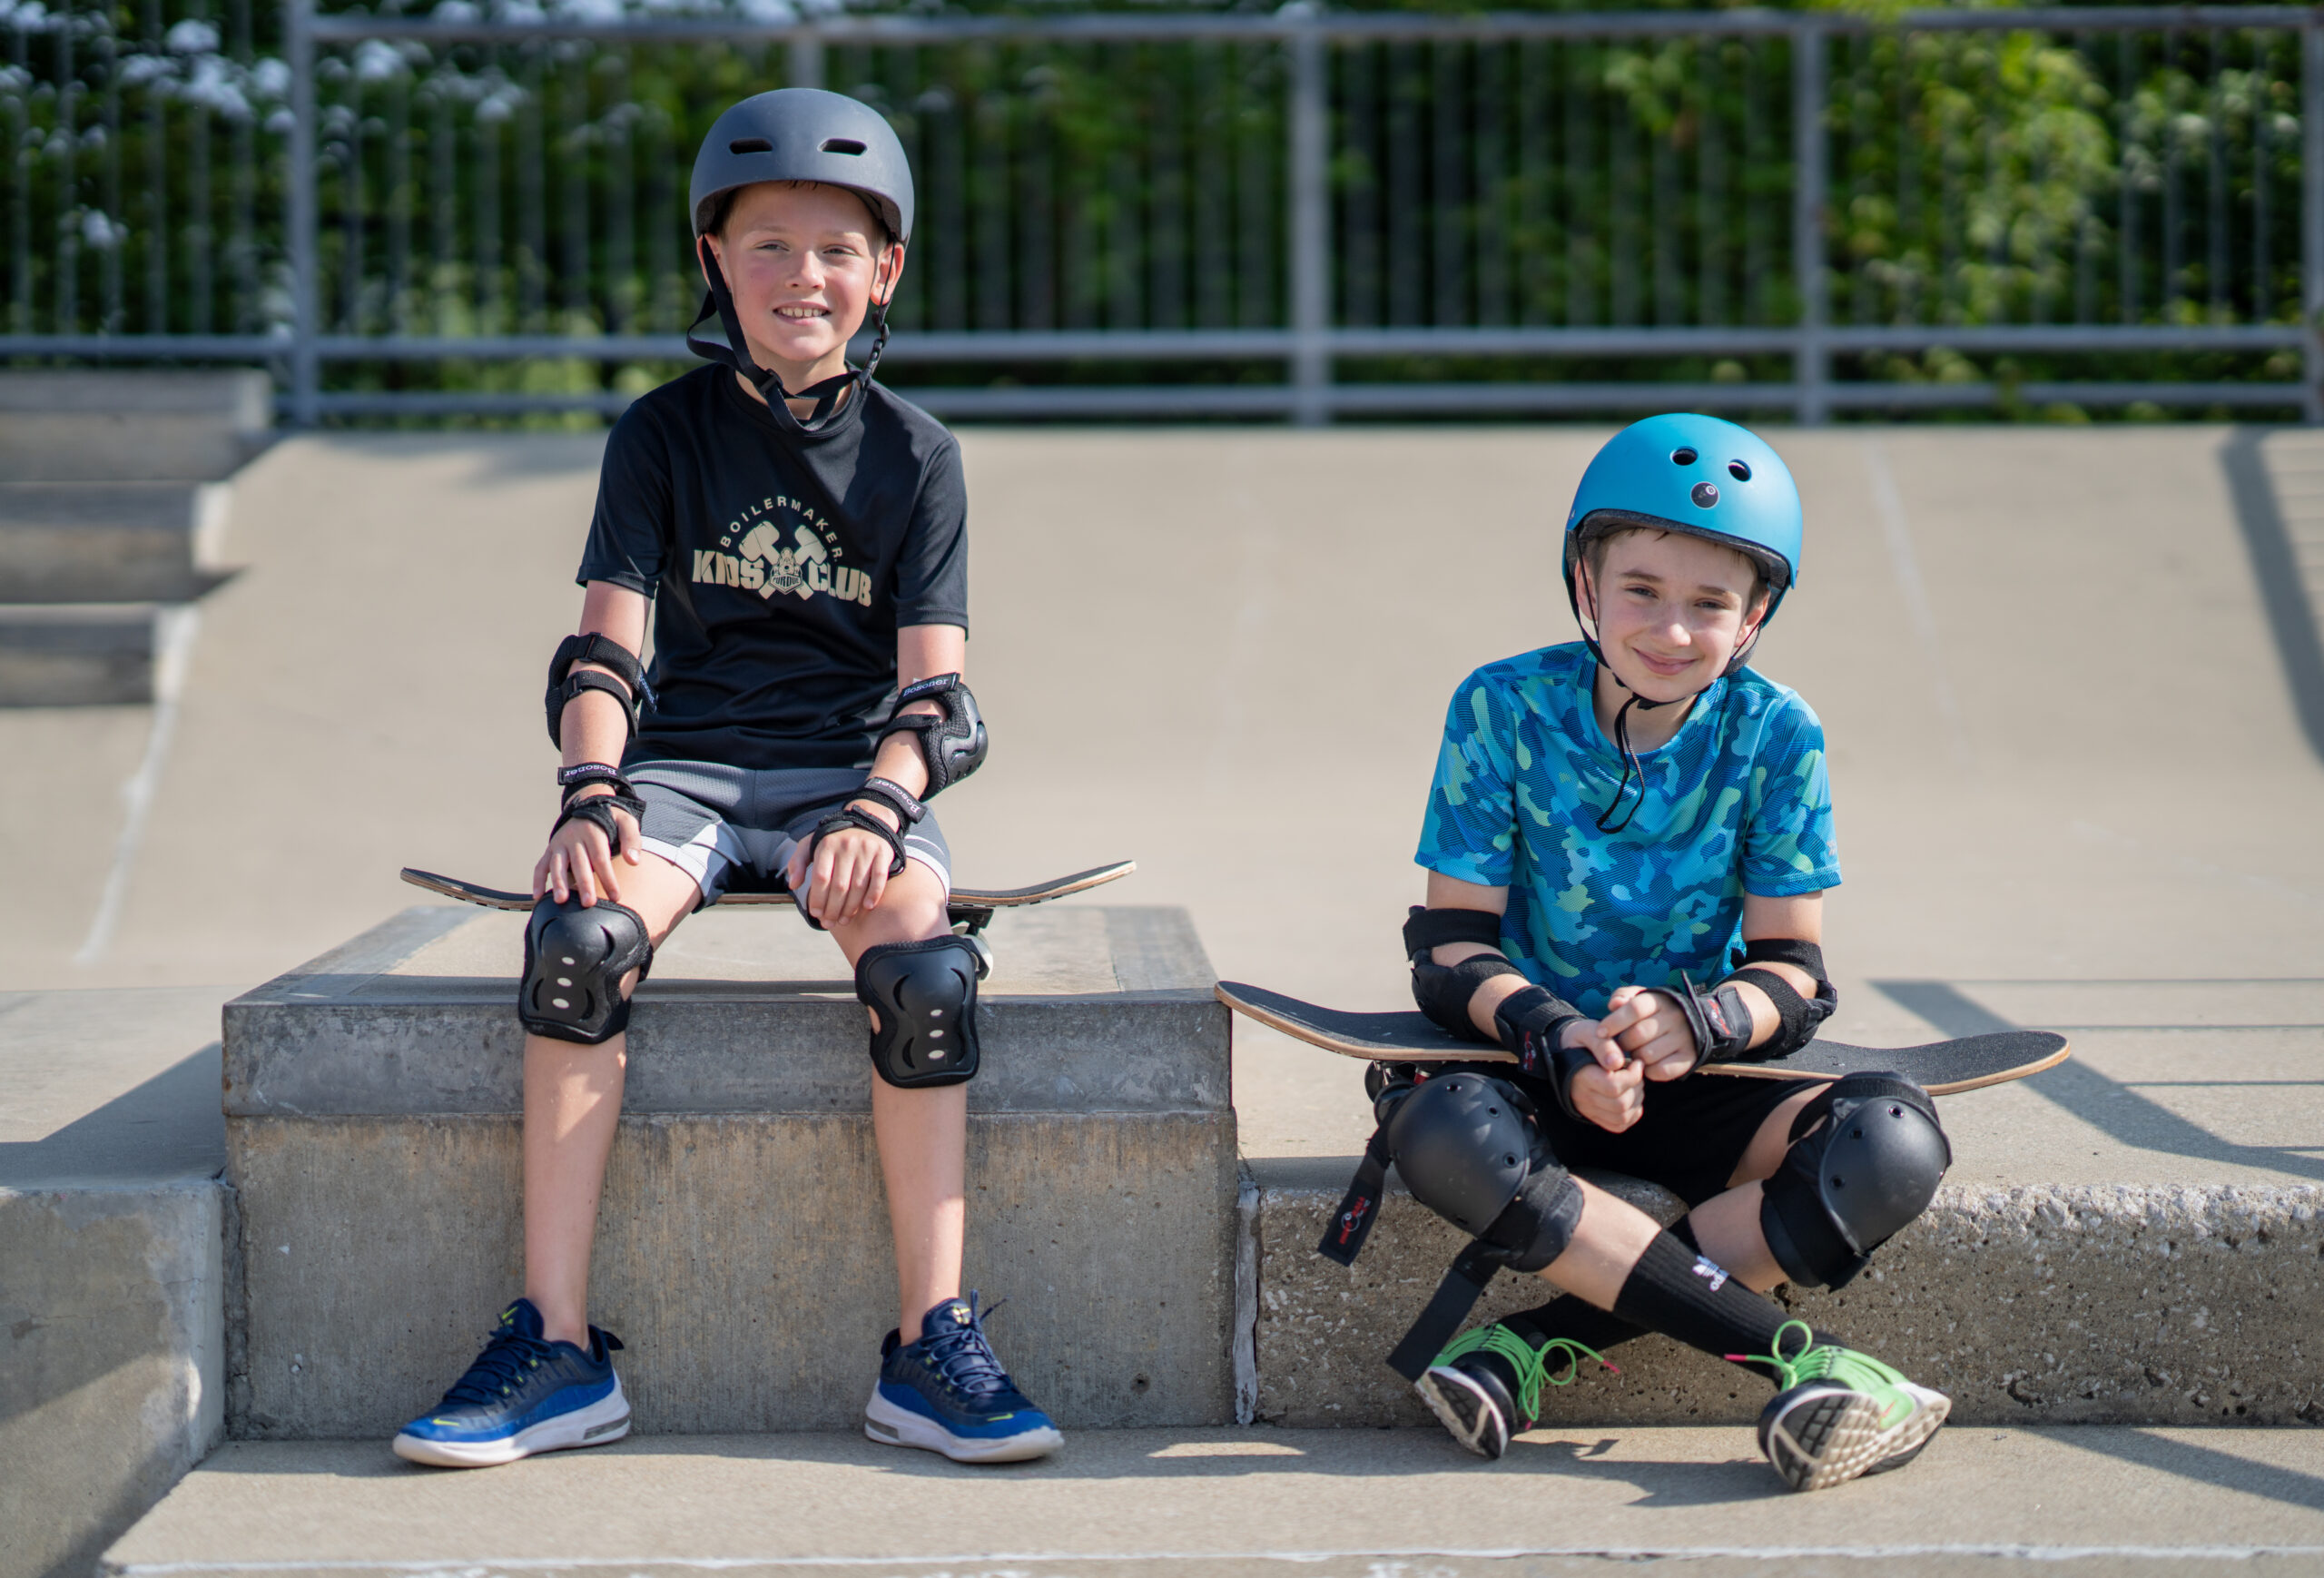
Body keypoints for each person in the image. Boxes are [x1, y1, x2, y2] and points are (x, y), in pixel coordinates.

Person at [390, 88, 1060, 1470]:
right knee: (573, 949)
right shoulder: (660, 432)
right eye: (765, 245)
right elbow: (602, 648)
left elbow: (936, 691)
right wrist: (589, 794)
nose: (799, 276)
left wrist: (880, 804)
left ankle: (931, 1345)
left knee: (924, 972)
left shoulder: (918, 456)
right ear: (715, 261)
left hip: (845, 780)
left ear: (884, 273)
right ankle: (558, 1350)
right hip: (686, 772)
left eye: (833, 249)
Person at [1328, 413, 1953, 1493]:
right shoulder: (1503, 706)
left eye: (1710, 604)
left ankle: (1531, 1341)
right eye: (1642, 591)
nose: (1670, 630)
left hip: (1704, 1070)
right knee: (1438, 1128)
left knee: (1888, 1142)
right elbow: (1448, 947)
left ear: (1755, 614)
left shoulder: (1775, 733)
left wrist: (1697, 1022)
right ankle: (1807, 1366)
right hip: (1530, 1068)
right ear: (1585, 578)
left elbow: (1795, 971)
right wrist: (1561, 1033)